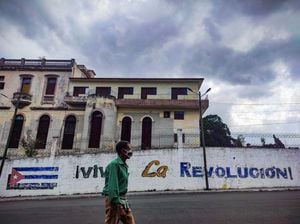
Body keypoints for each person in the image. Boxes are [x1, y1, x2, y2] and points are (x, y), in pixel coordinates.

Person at [102, 140, 135, 224]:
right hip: (114, 200)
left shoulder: (123, 165)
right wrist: (118, 205)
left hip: (123, 199)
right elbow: (113, 186)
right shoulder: (114, 165)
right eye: (129, 149)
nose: (131, 151)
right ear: (122, 150)